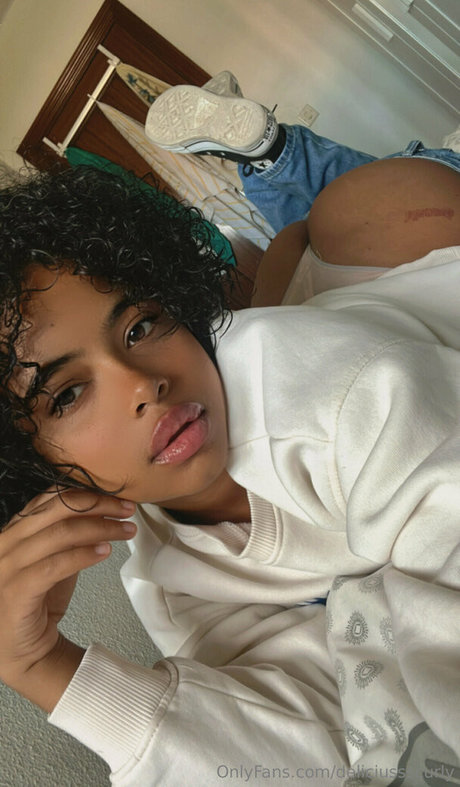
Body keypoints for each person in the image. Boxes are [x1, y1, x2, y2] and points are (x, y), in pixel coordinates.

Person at [0, 149, 459, 786]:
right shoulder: (168, 584)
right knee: (285, 262)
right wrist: (43, 669)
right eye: (69, 394)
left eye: (140, 327)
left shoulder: (327, 393)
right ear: (29, 465)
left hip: (407, 266)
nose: (142, 384)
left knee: (350, 209)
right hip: (315, 321)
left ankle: (279, 159)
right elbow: (300, 754)